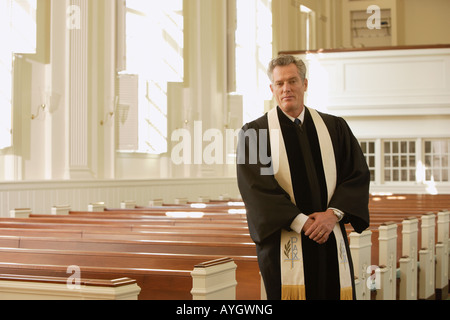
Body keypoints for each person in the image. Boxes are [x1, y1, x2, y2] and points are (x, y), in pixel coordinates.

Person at [236, 55, 370, 300]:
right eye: (279, 83)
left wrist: (332, 215)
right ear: (272, 88)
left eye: (292, 81)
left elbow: (356, 174)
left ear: (305, 84)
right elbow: (257, 190)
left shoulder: (334, 128)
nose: (286, 88)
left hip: (330, 236)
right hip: (284, 243)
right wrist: (303, 223)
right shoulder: (254, 134)